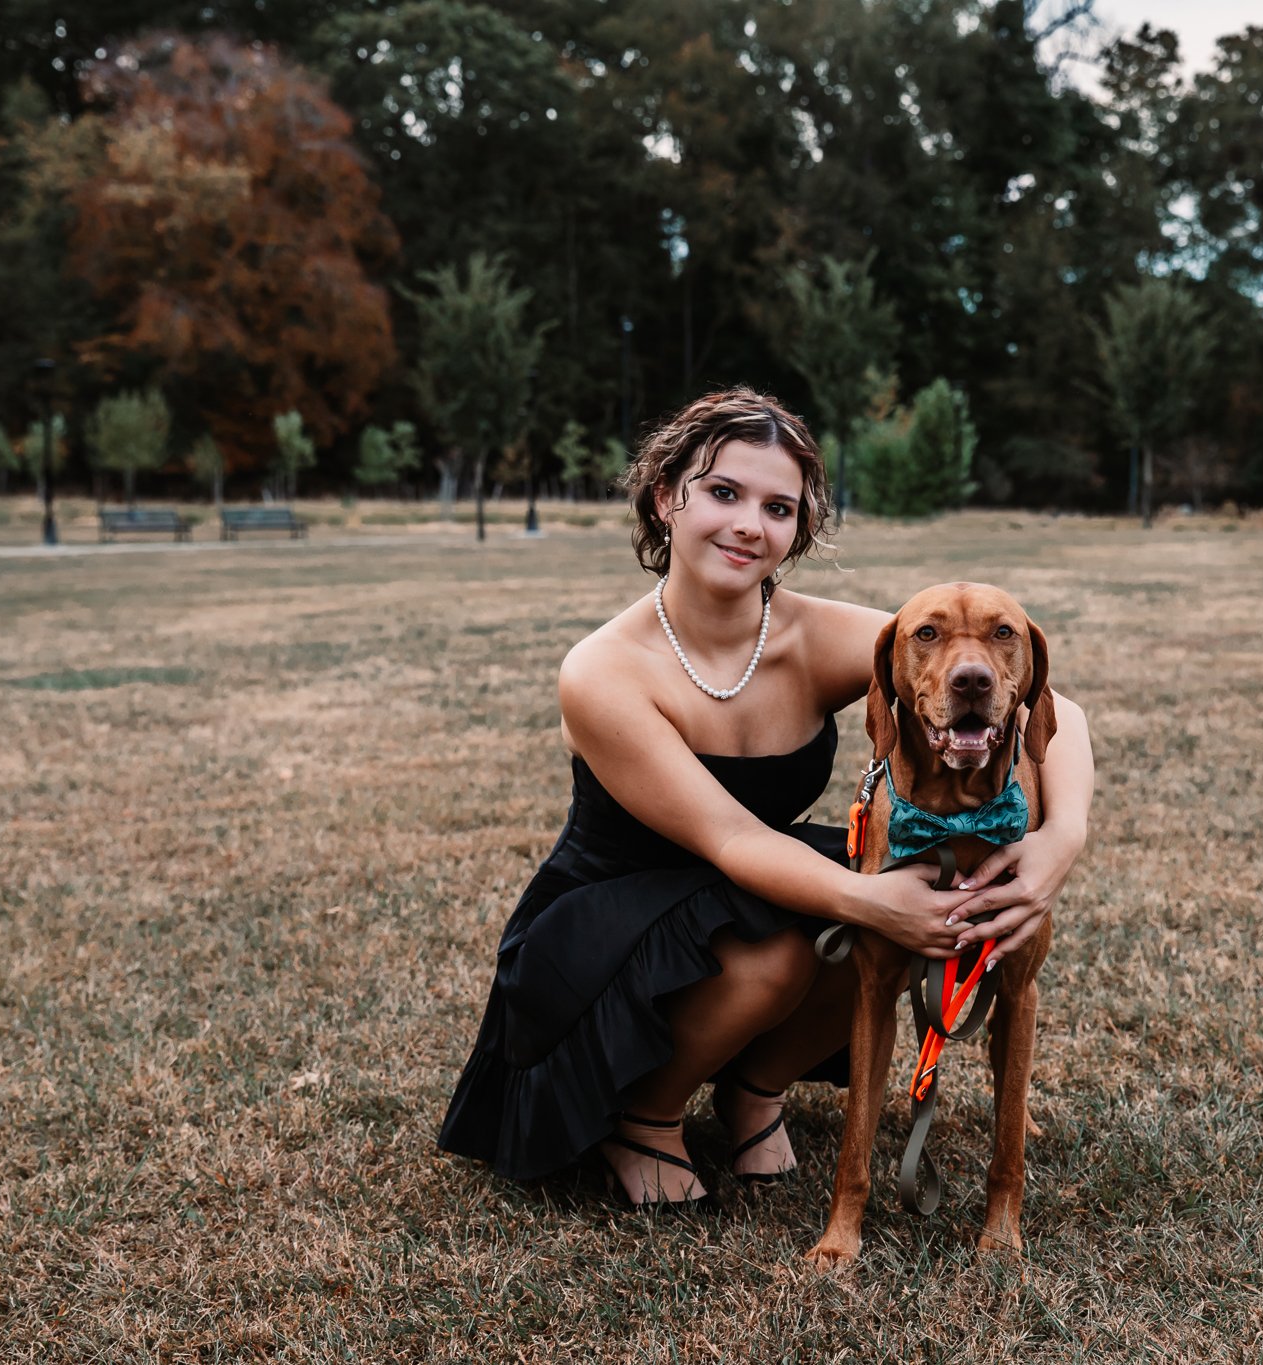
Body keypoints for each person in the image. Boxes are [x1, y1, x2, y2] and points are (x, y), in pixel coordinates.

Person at [437, 387, 1093, 1207]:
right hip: (609, 915)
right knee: (821, 933)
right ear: (664, 498)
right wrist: (874, 901)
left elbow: (1050, 706)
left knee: (894, 895)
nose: (750, 524)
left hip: (751, 882)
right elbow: (732, 840)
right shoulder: (602, 669)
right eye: (723, 492)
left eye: (778, 507)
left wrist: (1058, 841)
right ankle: (644, 1115)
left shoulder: (817, 633)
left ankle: (755, 1086)